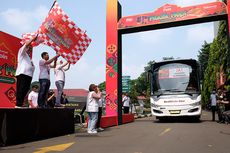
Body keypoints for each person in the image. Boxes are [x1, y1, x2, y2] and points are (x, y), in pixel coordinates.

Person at [15, 35, 38, 108]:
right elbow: (27, 44)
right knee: (21, 89)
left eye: (31, 48)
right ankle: (18, 104)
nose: (30, 48)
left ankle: (20, 103)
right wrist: (33, 39)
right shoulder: (22, 52)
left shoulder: (30, 59)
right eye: (29, 47)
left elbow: (32, 68)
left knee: (26, 89)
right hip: (22, 74)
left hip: (29, 76)